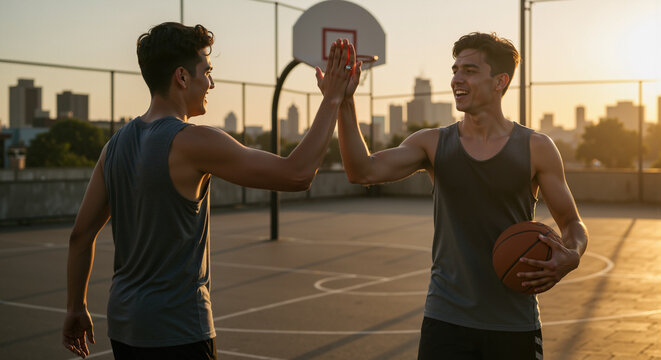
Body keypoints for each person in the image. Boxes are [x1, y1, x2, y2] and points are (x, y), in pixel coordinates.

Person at [61, 22, 358, 359]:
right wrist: (333, 97)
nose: (212, 83)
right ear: (182, 77)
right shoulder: (193, 141)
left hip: (125, 326)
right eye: (207, 71)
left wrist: (75, 307)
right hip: (178, 330)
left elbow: (80, 236)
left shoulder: (113, 146)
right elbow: (297, 174)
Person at [336, 32, 588, 359]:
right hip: (445, 318)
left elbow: (571, 223)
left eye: (469, 70)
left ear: (500, 81)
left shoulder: (535, 147)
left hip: (513, 321)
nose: (456, 78)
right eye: (455, 70)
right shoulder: (432, 143)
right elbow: (362, 171)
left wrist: (574, 254)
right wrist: (343, 101)